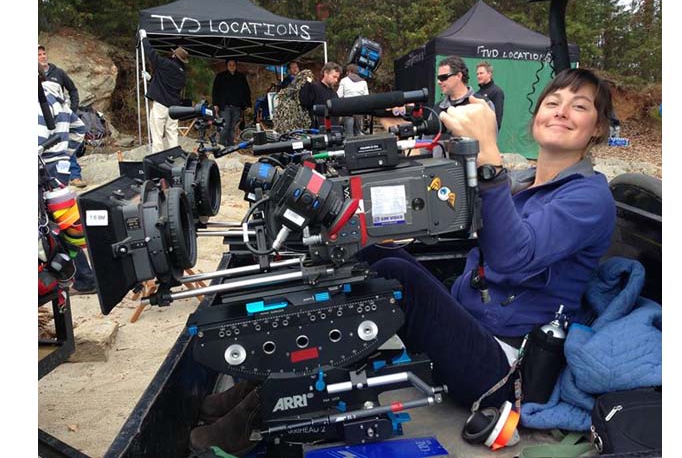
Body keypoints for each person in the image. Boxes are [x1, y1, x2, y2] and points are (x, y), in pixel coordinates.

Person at [188, 68, 616, 456]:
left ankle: (258, 414)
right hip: (472, 323)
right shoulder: (522, 182)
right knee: (371, 255)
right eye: (553, 102)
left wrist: (488, 153)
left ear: (597, 128)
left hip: (505, 367)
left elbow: (511, 259)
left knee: (395, 277)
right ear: (537, 114)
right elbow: (449, 215)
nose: (562, 112)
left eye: (579, 107)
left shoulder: (589, 197)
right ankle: (266, 382)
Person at [38, 72, 96, 295]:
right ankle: (80, 276)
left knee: (53, 227)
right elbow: (79, 128)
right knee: (64, 224)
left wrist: (53, 156)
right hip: (59, 166)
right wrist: (65, 154)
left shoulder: (39, 101)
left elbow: (38, 139)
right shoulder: (57, 99)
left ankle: (77, 277)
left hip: (45, 167)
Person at [39, 43, 87, 188]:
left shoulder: (58, 72)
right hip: (60, 122)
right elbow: (79, 129)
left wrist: (72, 108)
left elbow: (73, 90)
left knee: (64, 146)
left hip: (60, 117)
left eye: (44, 53)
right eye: (39, 55)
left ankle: (76, 176)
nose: (42, 56)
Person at [138, 29, 188, 153]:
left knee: (157, 135)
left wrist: (144, 39)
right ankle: (175, 157)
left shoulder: (167, 64)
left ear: (174, 55)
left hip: (160, 104)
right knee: (172, 135)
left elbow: (151, 54)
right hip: (174, 107)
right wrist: (151, 79)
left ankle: (158, 159)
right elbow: (167, 85)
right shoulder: (183, 74)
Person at [212, 59, 252, 146]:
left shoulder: (241, 77)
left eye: (233, 64)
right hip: (224, 106)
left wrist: (248, 105)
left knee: (233, 127)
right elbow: (215, 91)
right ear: (227, 65)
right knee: (225, 126)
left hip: (237, 106)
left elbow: (247, 92)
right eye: (230, 64)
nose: (232, 66)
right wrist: (215, 104)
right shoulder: (220, 76)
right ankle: (222, 145)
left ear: (236, 65)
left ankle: (230, 146)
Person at [299, 62, 342, 129]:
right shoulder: (314, 87)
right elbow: (305, 102)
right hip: (318, 130)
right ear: (326, 73)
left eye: (337, 78)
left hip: (333, 129)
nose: (336, 80)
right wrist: (307, 84)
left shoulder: (334, 93)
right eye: (334, 77)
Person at [337, 64, 369, 137]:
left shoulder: (344, 80)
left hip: (347, 109)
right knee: (357, 132)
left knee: (349, 134)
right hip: (359, 110)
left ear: (349, 71)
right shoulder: (363, 82)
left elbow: (339, 95)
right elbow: (366, 97)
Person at [475, 61, 505, 130]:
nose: (478, 76)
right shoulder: (477, 94)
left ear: (489, 74)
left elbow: (497, 120)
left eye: (481, 73)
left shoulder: (497, 92)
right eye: (477, 74)